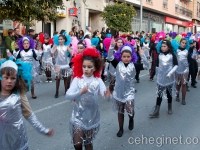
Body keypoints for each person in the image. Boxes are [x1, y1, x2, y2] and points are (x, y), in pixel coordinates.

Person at [0, 59, 53, 150]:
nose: (9, 81)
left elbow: (29, 115)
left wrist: (44, 130)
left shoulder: (19, 95)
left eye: (13, 78)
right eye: (6, 77)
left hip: (18, 139)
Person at [66, 47, 110, 150]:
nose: (86, 69)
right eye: (84, 66)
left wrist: (108, 96)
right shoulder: (77, 79)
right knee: (77, 144)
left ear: (95, 68)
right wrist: (79, 92)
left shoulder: (98, 80)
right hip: (78, 115)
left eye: (89, 67)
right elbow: (68, 95)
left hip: (92, 116)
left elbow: (105, 97)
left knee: (88, 143)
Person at [107, 37, 149, 137]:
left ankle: (131, 119)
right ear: (121, 57)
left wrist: (143, 56)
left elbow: (147, 66)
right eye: (124, 56)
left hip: (129, 92)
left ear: (131, 57)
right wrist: (112, 46)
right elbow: (109, 58)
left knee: (130, 110)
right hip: (118, 92)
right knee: (120, 111)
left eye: (128, 56)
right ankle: (120, 129)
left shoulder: (134, 65)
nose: (126, 58)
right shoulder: (117, 64)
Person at [149, 40, 178, 118]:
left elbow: (176, 65)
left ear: (168, 47)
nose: (163, 48)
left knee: (169, 93)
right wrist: (157, 76)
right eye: (162, 46)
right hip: (161, 78)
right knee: (159, 94)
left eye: (164, 46)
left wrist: (170, 73)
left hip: (169, 78)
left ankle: (169, 107)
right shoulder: (159, 55)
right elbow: (157, 66)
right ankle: (156, 111)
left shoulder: (172, 55)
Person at [52, 33, 72, 98]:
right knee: (58, 78)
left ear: (64, 40)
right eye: (59, 39)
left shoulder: (66, 47)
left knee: (65, 78)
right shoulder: (56, 47)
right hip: (58, 65)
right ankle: (56, 92)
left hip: (65, 64)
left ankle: (66, 91)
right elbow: (52, 54)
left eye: (61, 39)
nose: (60, 40)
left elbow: (72, 53)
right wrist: (51, 52)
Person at [175, 38, 189, 105]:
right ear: (180, 43)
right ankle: (177, 96)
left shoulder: (187, 51)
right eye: (183, 42)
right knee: (178, 84)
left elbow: (190, 60)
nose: (184, 44)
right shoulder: (176, 51)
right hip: (177, 69)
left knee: (184, 84)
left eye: (185, 43)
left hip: (185, 70)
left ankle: (183, 99)